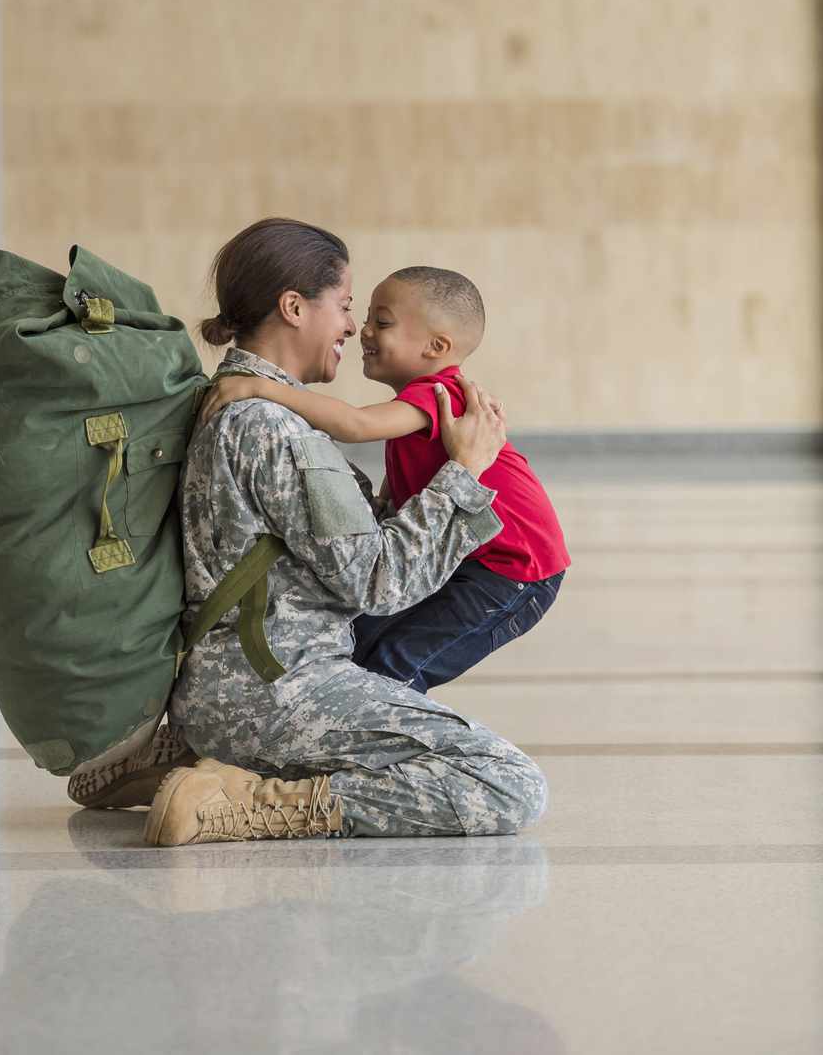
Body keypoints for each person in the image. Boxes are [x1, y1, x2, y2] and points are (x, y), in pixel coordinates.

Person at [141, 217, 548, 846]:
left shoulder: (240, 403)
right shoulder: (271, 425)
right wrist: (466, 471)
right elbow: (381, 583)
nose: (354, 328)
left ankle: (189, 760)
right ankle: (253, 799)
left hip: (237, 684)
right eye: (348, 306)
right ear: (294, 307)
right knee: (505, 781)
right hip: (274, 691)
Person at [197, 264, 570, 693]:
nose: (365, 331)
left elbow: (354, 424)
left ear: (436, 346)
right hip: (472, 561)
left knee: (399, 664)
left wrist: (263, 389)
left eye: (383, 322)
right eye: (367, 316)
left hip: (514, 571)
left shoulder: (438, 395)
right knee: (362, 645)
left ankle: (381, 733)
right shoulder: (416, 407)